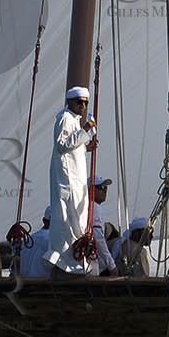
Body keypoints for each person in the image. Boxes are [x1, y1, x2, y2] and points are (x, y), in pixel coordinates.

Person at [46, 86, 97, 274]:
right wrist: (85, 130)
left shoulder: (74, 120)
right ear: (69, 102)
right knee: (66, 219)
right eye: (79, 102)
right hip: (66, 181)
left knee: (78, 218)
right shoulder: (65, 118)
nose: (83, 106)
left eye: (85, 103)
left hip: (76, 180)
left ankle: (76, 261)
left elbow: (72, 147)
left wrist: (86, 147)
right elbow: (62, 145)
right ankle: (65, 262)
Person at [19, 208, 55, 280]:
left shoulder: (30, 238)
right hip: (41, 283)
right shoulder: (53, 240)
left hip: (24, 281)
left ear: (44, 220)